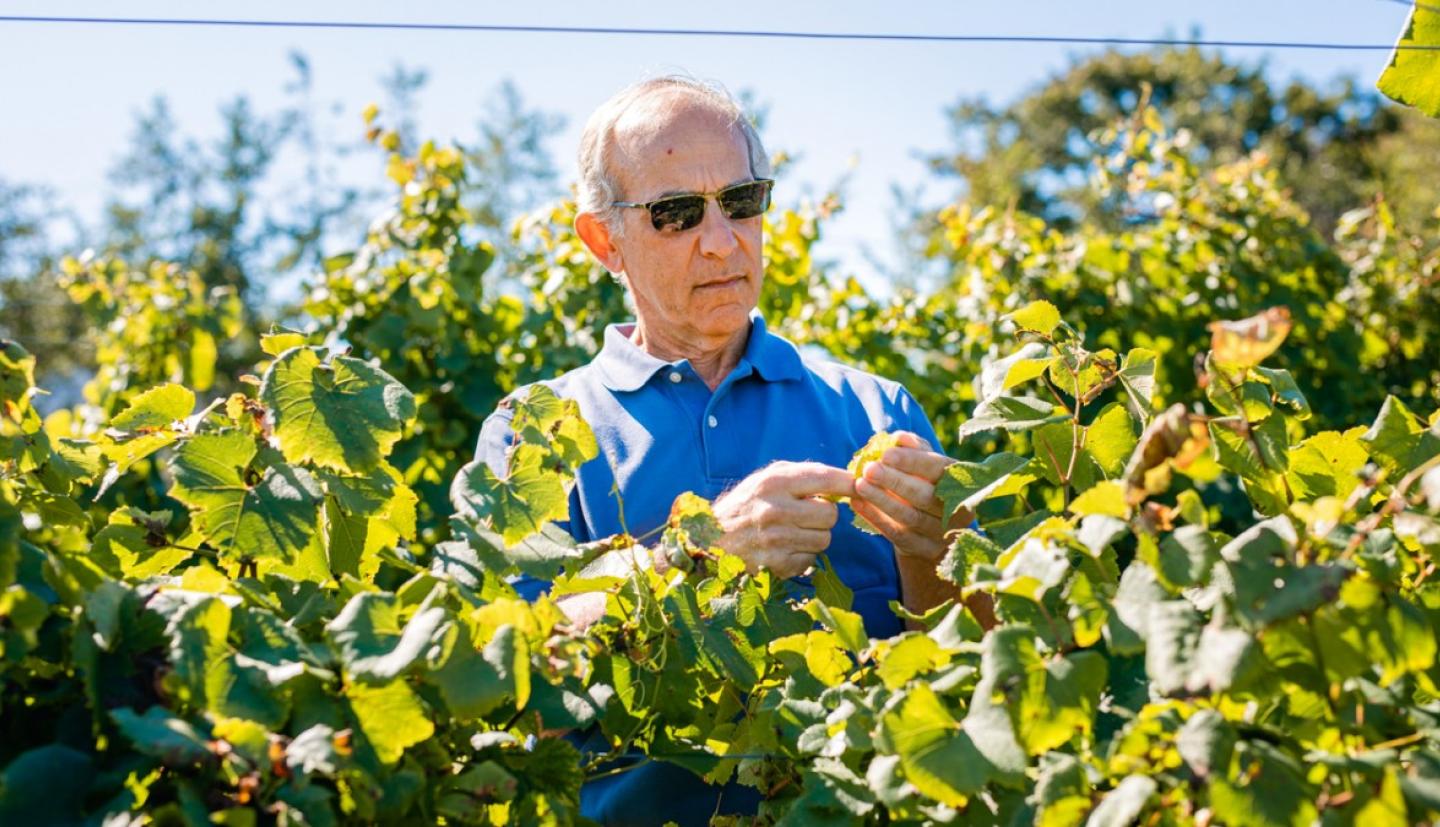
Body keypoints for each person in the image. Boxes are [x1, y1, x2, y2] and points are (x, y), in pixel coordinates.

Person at [474, 75, 970, 826]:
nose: (722, 239)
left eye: (741, 201)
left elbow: (963, 682)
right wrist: (702, 548)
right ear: (604, 241)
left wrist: (937, 558)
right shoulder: (530, 432)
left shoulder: (879, 410)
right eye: (676, 213)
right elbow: (510, 689)